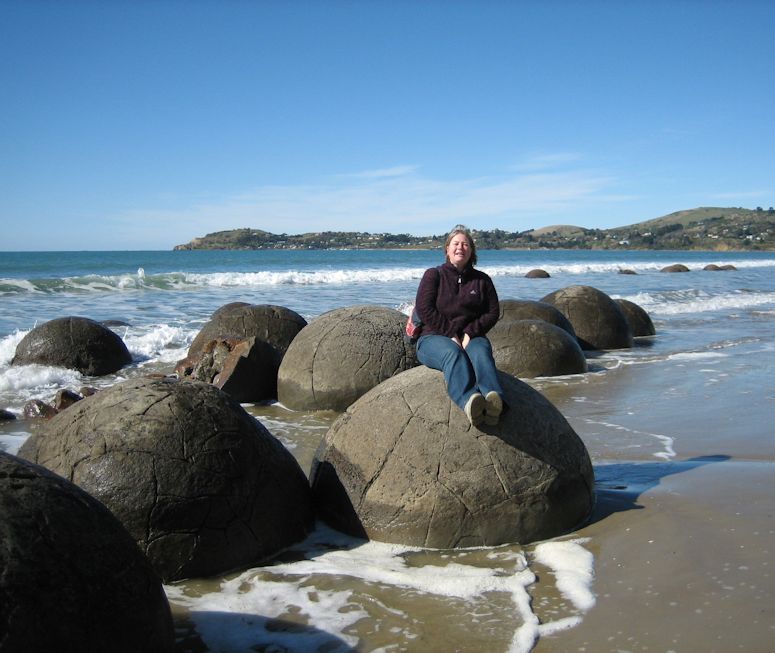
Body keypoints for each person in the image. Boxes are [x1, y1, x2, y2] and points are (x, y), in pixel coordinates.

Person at [414, 225, 505, 426]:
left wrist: (470, 333)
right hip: (432, 337)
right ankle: (469, 400)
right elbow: (424, 308)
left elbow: (493, 312)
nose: (460, 248)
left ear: (471, 251)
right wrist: (451, 333)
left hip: (470, 335)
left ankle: (493, 398)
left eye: (465, 244)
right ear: (447, 249)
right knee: (453, 354)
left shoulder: (482, 280)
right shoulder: (433, 275)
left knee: (481, 351)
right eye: (456, 243)